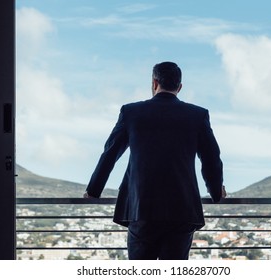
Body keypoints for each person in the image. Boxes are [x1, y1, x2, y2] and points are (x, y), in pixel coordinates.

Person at [84, 61, 225, 260]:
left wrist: (93, 190)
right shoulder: (197, 115)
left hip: (141, 210)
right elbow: (211, 158)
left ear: (154, 82)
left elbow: (110, 153)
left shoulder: (131, 112)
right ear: (180, 87)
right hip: (182, 210)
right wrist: (216, 192)